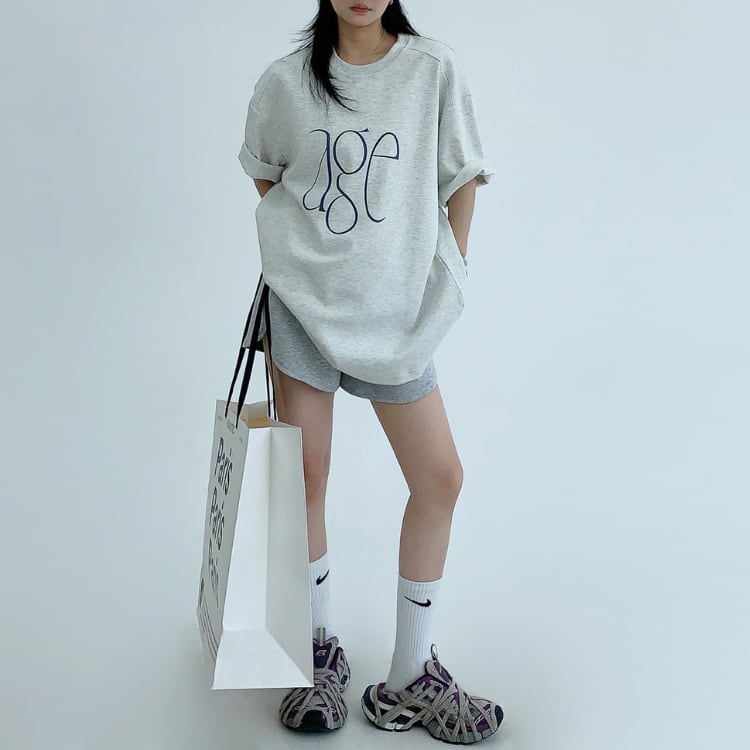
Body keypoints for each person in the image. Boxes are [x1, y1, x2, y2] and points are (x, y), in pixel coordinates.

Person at [238, 1, 502, 744]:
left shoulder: (432, 71)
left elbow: (462, 175)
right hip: (303, 308)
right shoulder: (285, 82)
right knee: (306, 478)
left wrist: (444, 272)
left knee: (439, 478)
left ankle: (411, 676)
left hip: (396, 316)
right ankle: (317, 654)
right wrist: (309, 259)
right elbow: (265, 176)